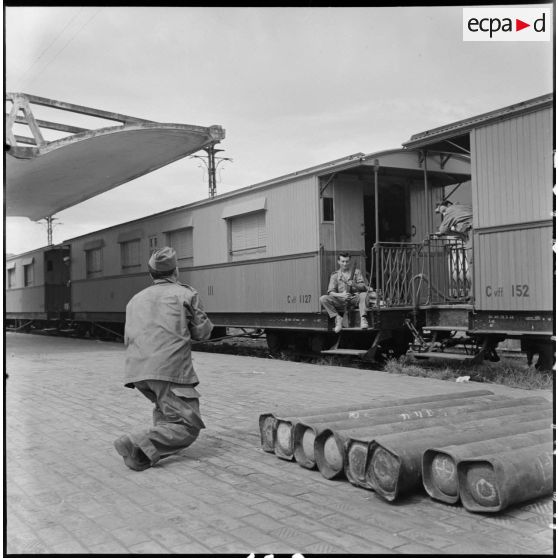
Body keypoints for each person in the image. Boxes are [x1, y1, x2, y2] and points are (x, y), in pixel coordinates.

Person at [113, 246, 213, 471]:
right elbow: (202, 333)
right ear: (176, 271)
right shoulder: (187, 294)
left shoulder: (135, 299)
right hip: (170, 371)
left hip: (138, 372)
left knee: (168, 417)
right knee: (187, 426)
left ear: (151, 275)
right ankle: (136, 441)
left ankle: (139, 457)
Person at [319, 252, 370, 332]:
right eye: (343, 261)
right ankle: (337, 318)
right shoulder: (335, 275)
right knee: (323, 299)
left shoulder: (356, 272)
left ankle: (363, 318)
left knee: (364, 295)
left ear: (350, 262)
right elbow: (330, 292)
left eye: (347, 261)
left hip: (354, 298)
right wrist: (341, 295)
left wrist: (355, 285)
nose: (345, 264)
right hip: (341, 300)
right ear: (338, 262)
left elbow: (363, 287)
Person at [433, 200, 474, 294]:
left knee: (473, 263)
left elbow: (443, 229)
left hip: (472, 233)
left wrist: (441, 233)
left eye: (441, 209)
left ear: (447, 205)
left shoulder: (450, 210)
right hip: (477, 233)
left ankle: (474, 295)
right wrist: (459, 234)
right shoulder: (464, 206)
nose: (442, 213)